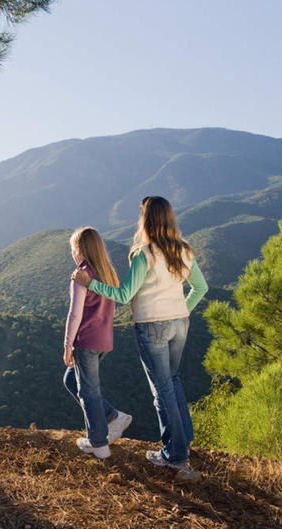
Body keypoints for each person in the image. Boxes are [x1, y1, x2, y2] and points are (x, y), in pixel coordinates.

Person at [72, 196, 208, 479]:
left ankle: (176, 456)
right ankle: (181, 444)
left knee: (162, 391)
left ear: (146, 221)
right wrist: (183, 311)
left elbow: (123, 295)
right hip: (179, 324)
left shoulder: (144, 254)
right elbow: (200, 287)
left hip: (152, 325)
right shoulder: (183, 250)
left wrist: (90, 283)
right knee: (174, 382)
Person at [63, 227, 133, 460]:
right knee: (71, 379)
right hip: (104, 341)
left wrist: (67, 345)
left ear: (79, 249)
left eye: (72, 249)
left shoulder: (81, 276)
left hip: (86, 340)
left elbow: (75, 314)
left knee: (88, 392)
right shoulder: (106, 272)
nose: (72, 254)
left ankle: (98, 443)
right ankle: (113, 417)